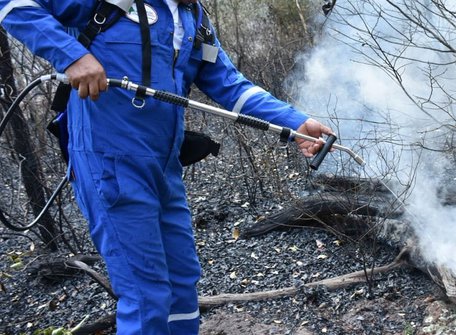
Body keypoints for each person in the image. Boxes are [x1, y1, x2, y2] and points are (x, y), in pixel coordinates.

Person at [0, 0, 333, 334]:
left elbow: (228, 82)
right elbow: (15, 5)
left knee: (182, 280)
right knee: (146, 294)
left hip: (164, 167)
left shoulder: (192, 15)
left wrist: (294, 122)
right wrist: (72, 55)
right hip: (110, 165)